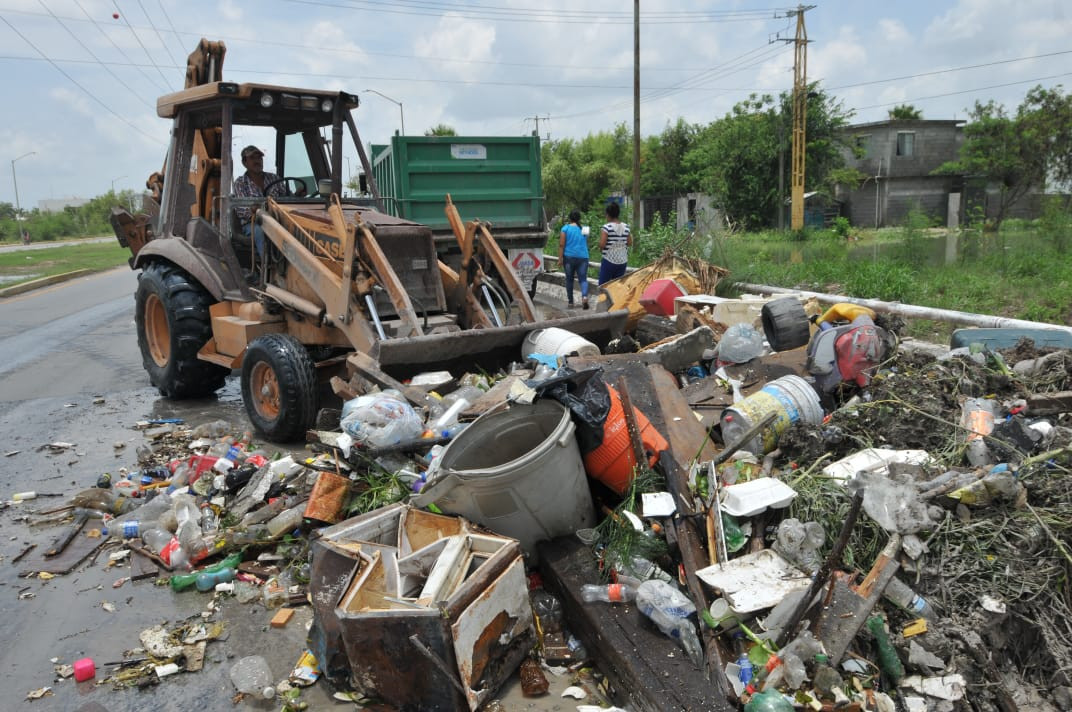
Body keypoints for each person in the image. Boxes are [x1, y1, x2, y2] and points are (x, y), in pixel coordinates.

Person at [233, 145, 289, 254]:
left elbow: (287, 197)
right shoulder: (240, 183)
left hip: (277, 219)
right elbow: (241, 210)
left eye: (259, 158)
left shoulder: (274, 178)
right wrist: (254, 210)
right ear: (244, 163)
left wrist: (297, 194)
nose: (257, 161)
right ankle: (268, 267)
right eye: (252, 158)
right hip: (254, 223)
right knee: (262, 231)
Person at [558, 210, 590, 309]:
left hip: (569, 258)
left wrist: (560, 259)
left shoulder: (565, 229)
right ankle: (584, 296)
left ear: (570, 218)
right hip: (583, 257)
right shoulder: (585, 229)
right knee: (583, 279)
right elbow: (585, 242)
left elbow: (561, 245)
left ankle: (571, 302)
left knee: (569, 279)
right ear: (579, 218)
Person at [598, 202, 631, 285]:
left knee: (603, 286)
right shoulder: (626, 227)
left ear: (608, 214)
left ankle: (604, 298)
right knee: (617, 286)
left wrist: (601, 249)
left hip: (609, 260)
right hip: (622, 261)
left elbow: (602, 245)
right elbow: (630, 242)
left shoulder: (607, 227)